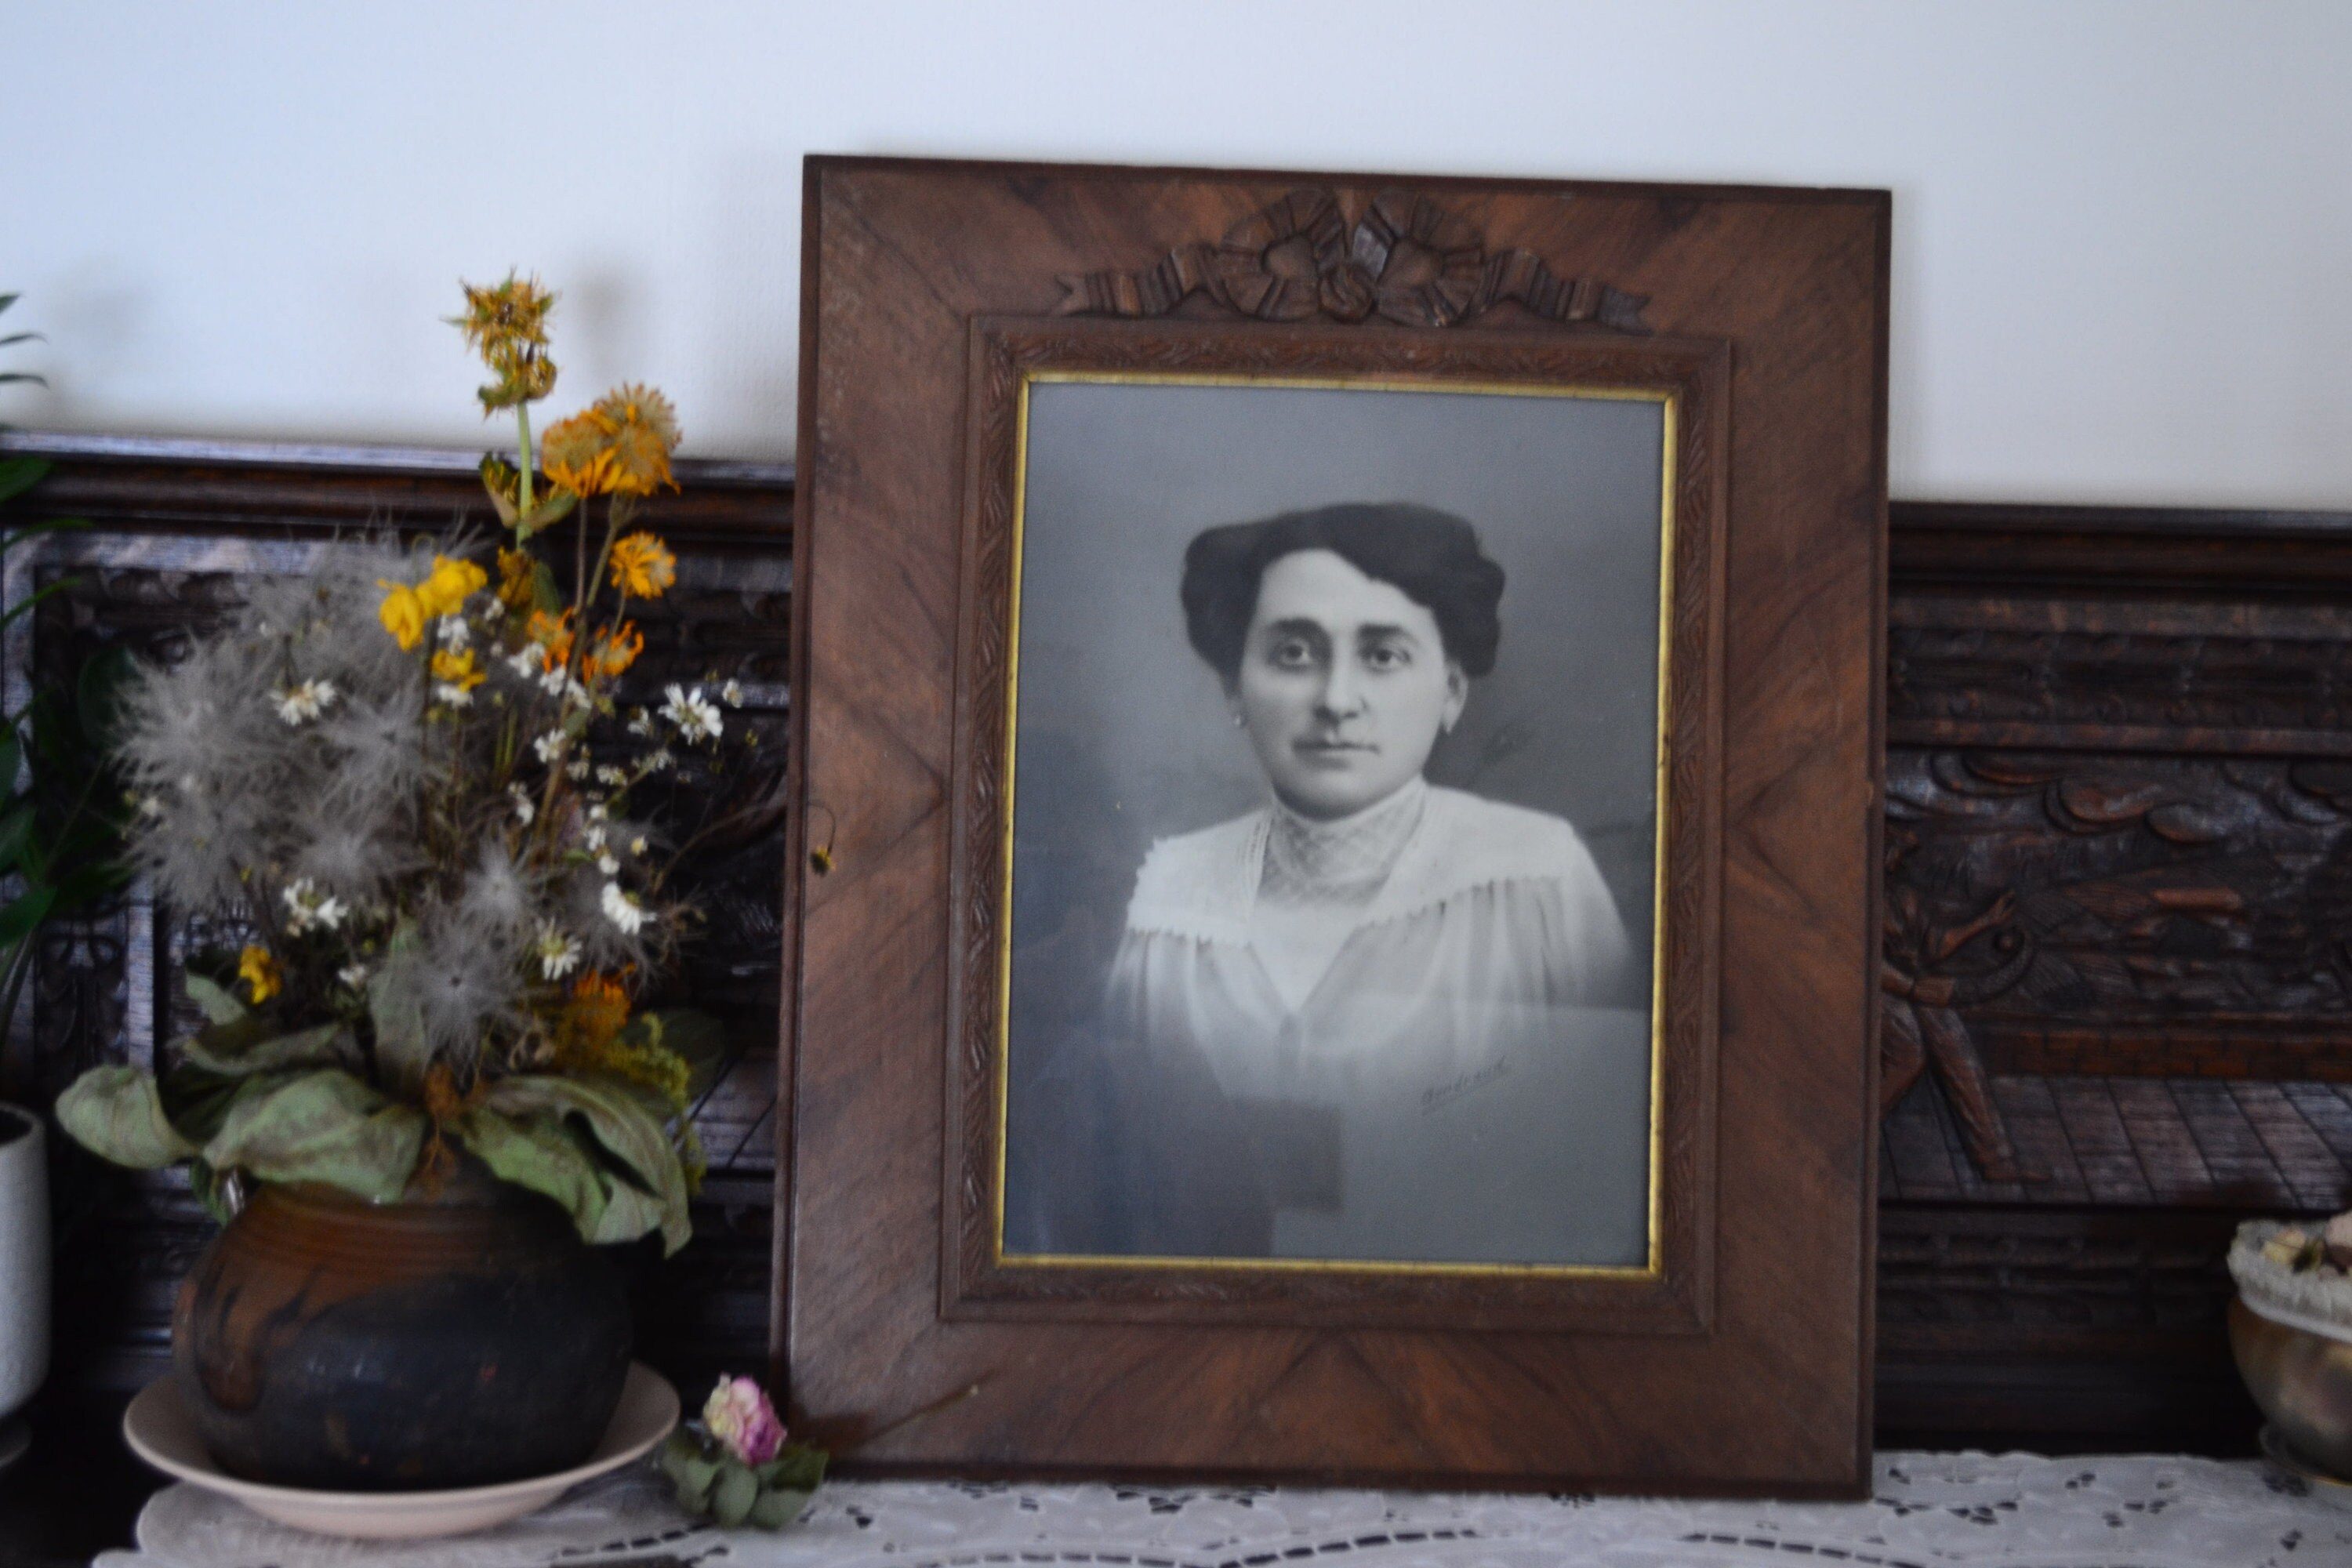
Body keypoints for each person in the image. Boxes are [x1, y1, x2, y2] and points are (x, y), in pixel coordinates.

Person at [1042, 500, 1649, 1266]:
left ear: (1453, 689)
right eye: (1294, 652)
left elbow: (1611, 1183)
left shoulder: (1536, 877)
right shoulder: (1169, 897)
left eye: (1384, 655)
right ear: (1235, 689)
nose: (1335, 699)